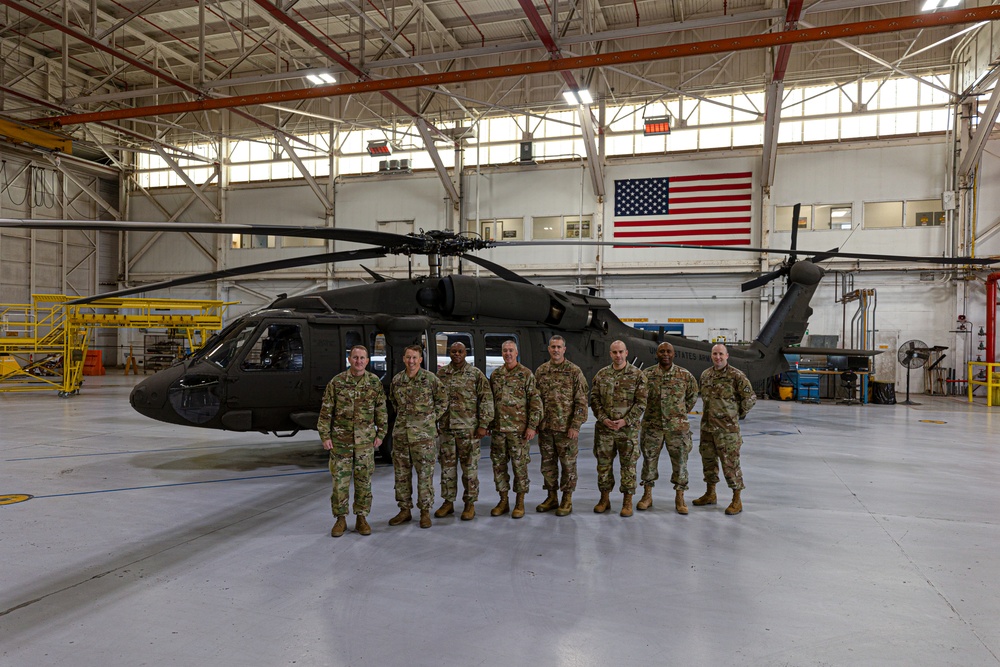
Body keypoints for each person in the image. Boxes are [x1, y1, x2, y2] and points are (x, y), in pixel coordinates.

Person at [317, 345, 388, 537]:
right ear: (349, 359)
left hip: (365, 443)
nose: (359, 361)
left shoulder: (374, 383)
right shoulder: (337, 382)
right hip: (341, 443)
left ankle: (361, 518)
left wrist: (381, 434)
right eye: (355, 357)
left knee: (364, 482)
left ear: (367, 360)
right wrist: (325, 436)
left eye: (362, 358)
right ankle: (340, 519)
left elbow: (381, 411)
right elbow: (325, 412)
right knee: (340, 483)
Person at [388, 344, 448, 528]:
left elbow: (443, 400)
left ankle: (424, 512)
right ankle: (404, 510)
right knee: (401, 475)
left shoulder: (430, 379)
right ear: (403, 359)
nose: (411, 361)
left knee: (425, 476)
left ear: (420, 359)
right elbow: (393, 401)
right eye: (408, 357)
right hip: (401, 436)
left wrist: (431, 419)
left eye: (414, 357)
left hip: (424, 438)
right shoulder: (397, 380)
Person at [694, 343, 757, 515]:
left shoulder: (736, 376)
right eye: (715, 354)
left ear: (727, 355)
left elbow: (750, 398)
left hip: (727, 432)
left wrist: (735, 414)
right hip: (707, 428)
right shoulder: (706, 375)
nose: (718, 357)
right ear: (711, 355)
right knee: (708, 463)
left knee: (731, 466)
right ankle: (710, 494)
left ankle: (736, 500)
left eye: (721, 354)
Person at [436, 341, 495, 521]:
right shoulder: (441, 374)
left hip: (468, 429)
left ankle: (470, 503)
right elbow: (435, 400)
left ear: (465, 352)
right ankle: (448, 502)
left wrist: (484, 424)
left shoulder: (475, 374)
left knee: (469, 468)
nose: (456, 354)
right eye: (453, 351)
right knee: (447, 468)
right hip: (447, 429)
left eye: (460, 351)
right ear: (449, 353)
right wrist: (435, 422)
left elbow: (486, 399)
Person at [639, 341, 699, 514]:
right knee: (649, 462)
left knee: (680, 462)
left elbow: (692, 396)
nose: (665, 354)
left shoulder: (685, 375)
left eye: (668, 351)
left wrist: (678, 413)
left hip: (677, 428)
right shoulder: (647, 375)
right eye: (661, 351)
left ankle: (680, 497)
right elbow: (640, 396)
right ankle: (647, 496)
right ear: (657, 354)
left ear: (674, 354)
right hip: (652, 426)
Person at [589, 340, 648, 517]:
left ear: (626, 352)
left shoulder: (637, 375)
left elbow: (641, 403)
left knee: (628, 466)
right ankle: (604, 499)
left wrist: (626, 420)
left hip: (627, 431)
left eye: (621, 352)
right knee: (603, 466)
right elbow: (595, 400)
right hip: (605, 431)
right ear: (610, 354)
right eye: (614, 352)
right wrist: (603, 418)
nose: (618, 355)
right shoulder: (602, 375)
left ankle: (627, 501)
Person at [488, 340, 543, 519]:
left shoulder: (526, 374)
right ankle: (503, 500)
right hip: (498, 431)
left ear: (516, 352)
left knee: (520, 468)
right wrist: (489, 423)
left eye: (511, 350)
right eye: (505, 351)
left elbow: (535, 403)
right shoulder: (496, 375)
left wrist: (532, 426)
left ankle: (519, 502)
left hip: (518, 432)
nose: (508, 354)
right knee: (499, 467)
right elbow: (490, 403)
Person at [534, 335, 588, 516]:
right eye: (553, 347)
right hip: (546, 428)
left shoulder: (574, 371)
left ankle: (567, 498)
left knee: (568, 465)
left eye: (559, 347)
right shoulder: (541, 371)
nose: (556, 350)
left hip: (566, 430)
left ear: (564, 349)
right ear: (548, 349)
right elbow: (535, 401)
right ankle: (551, 496)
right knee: (547, 465)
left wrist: (576, 426)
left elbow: (581, 402)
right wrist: (535, 424)